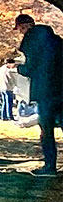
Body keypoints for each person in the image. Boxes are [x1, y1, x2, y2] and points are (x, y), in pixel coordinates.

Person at [16, 14, 63, 175]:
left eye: (21, 29)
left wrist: (19, 68)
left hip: (45, 91)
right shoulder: (57, 41)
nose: (21, 33)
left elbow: (31, 67)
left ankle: (50, 166)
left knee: (46, 130)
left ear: (26, 26)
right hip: (61, 89)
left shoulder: (31, 42)